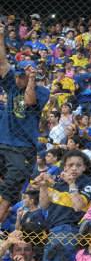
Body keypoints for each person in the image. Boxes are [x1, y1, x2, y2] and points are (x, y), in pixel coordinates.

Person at [0, 38, 51, 224]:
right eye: (18, 75)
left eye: (22, 76)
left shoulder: (42, 91)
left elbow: (29, 101)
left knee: (9, 191)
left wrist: (31, 79)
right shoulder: (11, 86)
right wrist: (1, 35)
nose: (18, 78)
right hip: (3, 142)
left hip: (23, 148)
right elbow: (2, 62)